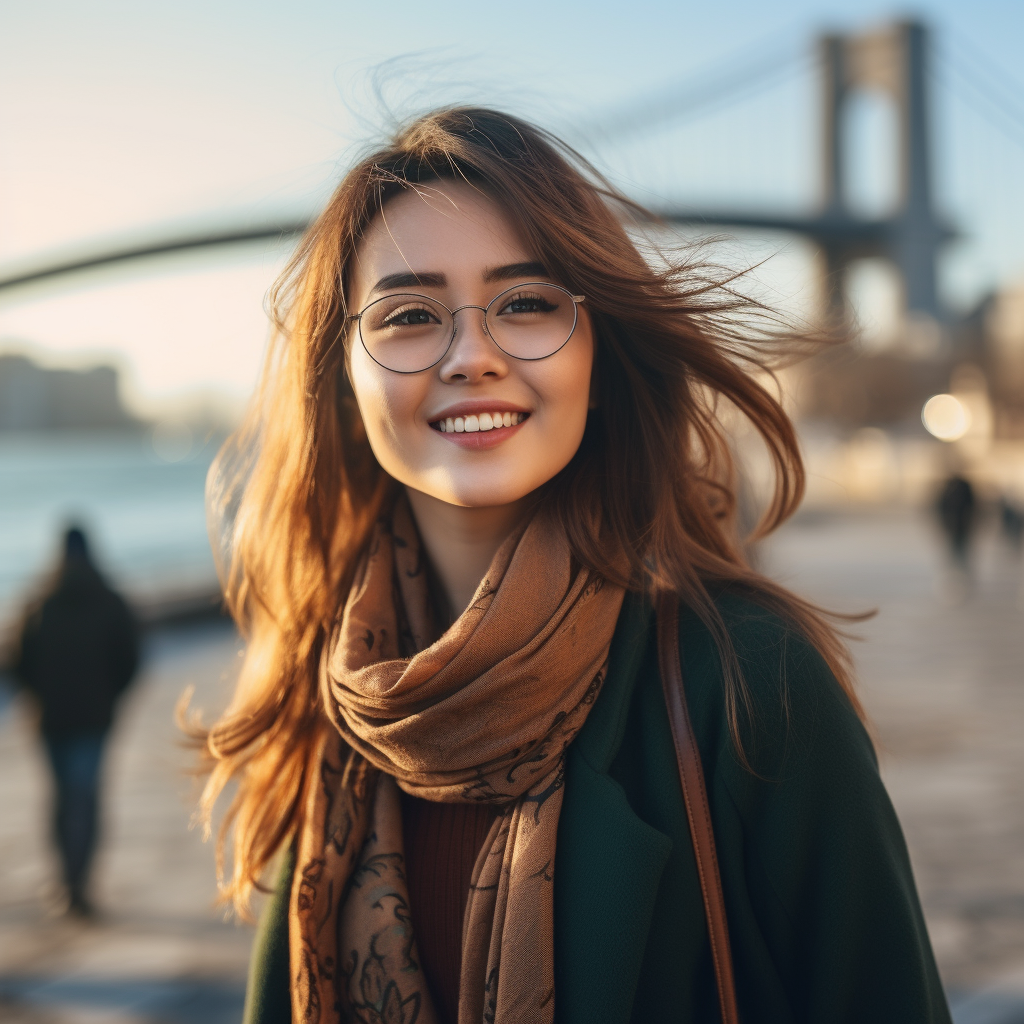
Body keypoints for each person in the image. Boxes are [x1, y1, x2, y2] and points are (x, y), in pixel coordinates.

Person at [195, 109, 951, 1023]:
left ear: (599, 348)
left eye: (525, 303)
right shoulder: (330, 696)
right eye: (407, 316)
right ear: (342, 375)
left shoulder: (752, 685)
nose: (472, 356)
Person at [12, 526, 140, 917]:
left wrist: (38, 697)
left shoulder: (38, 602)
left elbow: (17, 664)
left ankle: (66, 882)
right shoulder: (112, 601)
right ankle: (80, 884)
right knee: (86, 798)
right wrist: (108, 699)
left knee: (61, 799)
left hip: (50, 720)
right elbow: (130, 662)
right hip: (93, 719)